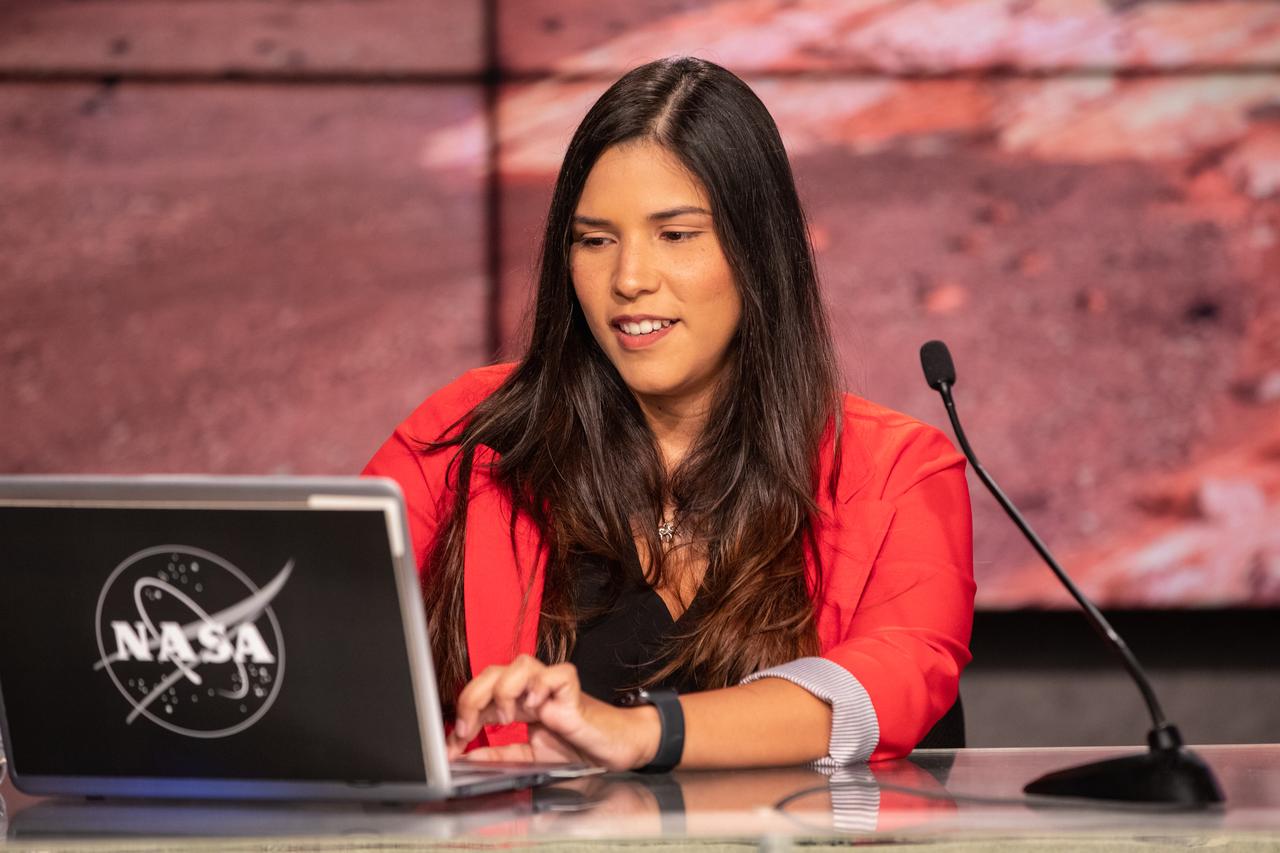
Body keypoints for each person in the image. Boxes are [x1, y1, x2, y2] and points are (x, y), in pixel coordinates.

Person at [364, 57, 974, 772]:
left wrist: (637, 732)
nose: (629, 278)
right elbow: (316, 620)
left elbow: (891, 681)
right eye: (595, 240)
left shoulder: (900, 470)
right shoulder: (470, 432)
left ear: (759, 251)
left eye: (675, 235)